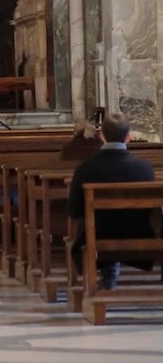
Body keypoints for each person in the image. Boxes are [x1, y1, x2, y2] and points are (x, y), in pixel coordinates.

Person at [67, 112, 156, 290]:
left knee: (96, 224)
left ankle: (106, 277)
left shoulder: (85, 168)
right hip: (138, 235)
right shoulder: (144, 168)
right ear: (129, 137)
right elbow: (152, 210)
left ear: (102, 136)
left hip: (97, 236)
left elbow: (74, 210)